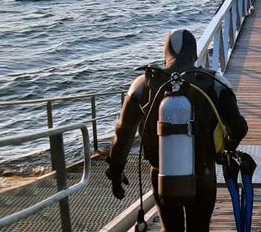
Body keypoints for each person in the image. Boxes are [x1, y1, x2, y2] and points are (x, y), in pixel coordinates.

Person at [106, 29, 248, 232]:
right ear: (194, 53)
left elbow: (122, 135)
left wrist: (116, 173)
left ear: (166, 53)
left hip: (163, 174)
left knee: (170, 229)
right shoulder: (215, 81)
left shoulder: (142, 85)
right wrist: (224, 150)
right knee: (199, 228)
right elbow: (239, 128)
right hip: (203, 173)